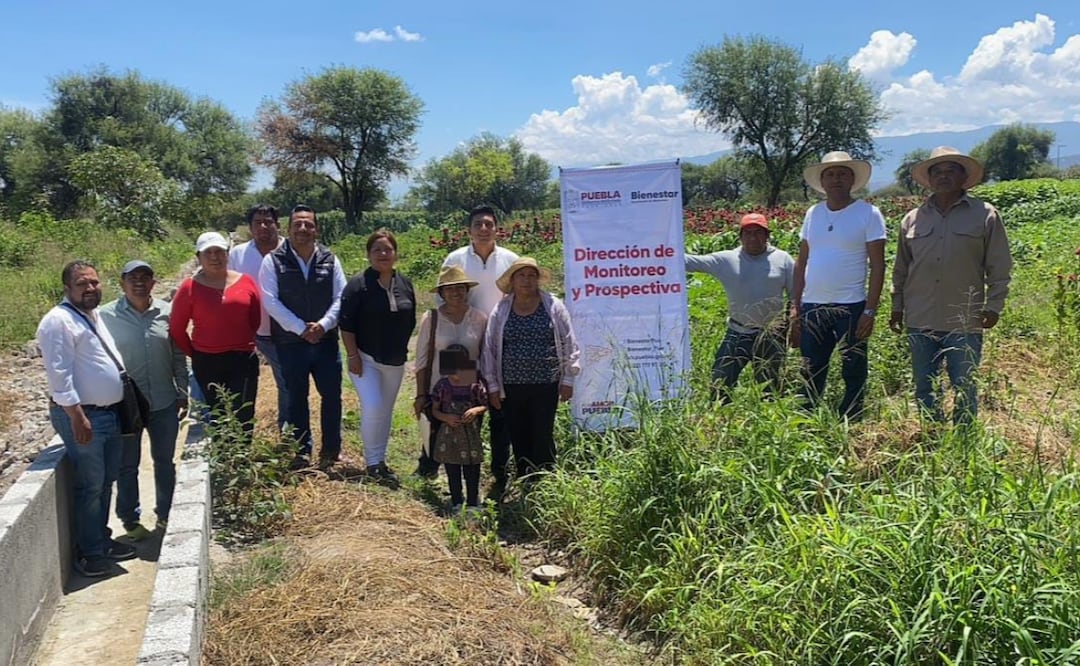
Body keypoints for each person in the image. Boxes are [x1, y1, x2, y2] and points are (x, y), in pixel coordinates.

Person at [889, 147, 1012, 424]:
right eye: (937, 172)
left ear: (963, 177)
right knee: (924, 385)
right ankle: (931, 436)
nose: (943, 177)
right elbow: (901, 269)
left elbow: (999, 266)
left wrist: (993, 306)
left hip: (964, 318)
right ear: (929, 179)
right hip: (920, 317)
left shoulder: (985, 215)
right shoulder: (912, 219)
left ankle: (964, 440)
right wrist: (897, 307)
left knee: (965, 385)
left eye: (950, 171)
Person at [37, 260, 137, 577]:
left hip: (107, 414)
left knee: (105, 481)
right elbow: (59, 376)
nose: (90, 288)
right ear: (67, 288)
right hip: (85, 417)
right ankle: (90, 553)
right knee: (91, 485)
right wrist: (77, 416)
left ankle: (102, 540)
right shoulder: (58, 322)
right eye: (82, 284)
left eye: (94, 282)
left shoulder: (90, 315)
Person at [790, 151, 887, 419]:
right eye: (830, 174)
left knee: (853, 365)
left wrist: (870, 310)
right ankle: (807, 418)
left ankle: (852, 416)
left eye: (842, 173)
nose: (836, 179)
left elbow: (878, 266)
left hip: (851, 305)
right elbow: (802, 262)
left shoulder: (869, 214)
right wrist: (795, 306)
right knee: (811, 366)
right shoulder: (813, 213)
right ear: (822, 181)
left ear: (852, 179)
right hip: (813, 304)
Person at [431, 205, 519, 489]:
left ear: (497, 229)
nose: (483, 229)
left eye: (488, 224)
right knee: (458, 404)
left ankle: (500, 471)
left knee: (498, 405)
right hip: (463, 344)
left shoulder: (510, 259)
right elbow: (442, 298)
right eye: (478, 224)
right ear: (469, 230)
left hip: (504, 343)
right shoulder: (454, 258)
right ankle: (445, 465)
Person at [99, 260, 188, 540]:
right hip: (125, 405)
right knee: (127, 465)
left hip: (163, 399)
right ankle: (129, 518)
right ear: (122, 282)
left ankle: (166, 514)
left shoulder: (167, 313)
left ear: (153, 283)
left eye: (145, 277)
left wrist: (182, 390)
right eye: (132, 277)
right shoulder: (105, 316)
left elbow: (177, 355)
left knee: (164, 460)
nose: (139, 282)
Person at [259, 205, 347, 466]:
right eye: (298, 224)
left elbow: (341, 297)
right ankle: (301, 450)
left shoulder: (330, 259)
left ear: (316, 229)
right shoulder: (273, 261)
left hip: (326, 341)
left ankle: (331, 449)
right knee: (297, 396)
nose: (303, 229)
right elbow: (270, 301)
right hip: (290, 344)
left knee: (332, 396)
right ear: (289, 229)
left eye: (308, 224)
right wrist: (301, 328)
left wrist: (323, 325)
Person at [481, 257, 580, 479]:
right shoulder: (502, 309)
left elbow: (569, 342)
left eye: (531, 276)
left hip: (546, 383)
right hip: (511, 385)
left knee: (542, 433)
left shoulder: (553, 305)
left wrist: (568, 379)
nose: (526, 280)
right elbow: (490, 348)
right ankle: (526, 479)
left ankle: (546, 481)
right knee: (518, 433)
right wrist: (493, 385)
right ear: (513, 281)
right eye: (521, 276)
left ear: (537, 280)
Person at [685, 213, 795, 399]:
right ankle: (719, 417)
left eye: (758, 233)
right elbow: (689, 262)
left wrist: (792, 324)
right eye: (748, 233)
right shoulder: (727, 259)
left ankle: (767, 422)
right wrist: (658, 247)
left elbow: (794, 296)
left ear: (767, 235)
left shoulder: (782, 259)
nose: (753, 237)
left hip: (770, 335)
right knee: (720, 380)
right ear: (740, 236)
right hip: (738, 331)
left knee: (770, 387)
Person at [339, 229, 416, 486]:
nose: (383, 254)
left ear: (395, 253)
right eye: (377, 250)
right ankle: (372, 464)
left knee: (385, 411)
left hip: (395, 360)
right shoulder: (358, 285)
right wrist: (352, 355)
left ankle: (381, 461)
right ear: (368, 255)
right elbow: (346, 324)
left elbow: (411, 317)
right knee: (372, 406)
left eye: (388, 249)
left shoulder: (405, 283)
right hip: (365, 357)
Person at [170, 232, 261, 439]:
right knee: (218, 415)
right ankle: (222, 465)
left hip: (242, 359)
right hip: (207, 361)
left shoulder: (246, 282)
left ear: (227, 254)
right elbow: (176, 328)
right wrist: (195, 353)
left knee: (244, 413)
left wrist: (241, 341)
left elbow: (254, 319)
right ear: (199, 257)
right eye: (208, 253)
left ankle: (242, 464)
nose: (214, 257)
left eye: (219, 251)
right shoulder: (189, 288)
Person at [413, 266, 487, 480]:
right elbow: (421, 360)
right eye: (449, 288)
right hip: (439, 387)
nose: (455, 292)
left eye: (460, 288)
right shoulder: (432, 318)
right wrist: (420, 394)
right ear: (441, 293)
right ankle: (428, 471)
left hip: (468, 390)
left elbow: (484, 356)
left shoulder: (479, 318)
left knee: (467, 434)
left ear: (467, 290)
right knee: (436, 431)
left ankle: (468, 484)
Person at [229, 203, 288, 432]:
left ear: (278, 225)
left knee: (287, 384)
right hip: (251, 334)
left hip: (285, 332)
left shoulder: (289, 251)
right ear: (250, 227)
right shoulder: (238, 254)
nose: (263, 226)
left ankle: (286, 431)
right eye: (258, 222)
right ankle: (242, 435)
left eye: (268, 222)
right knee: (244, 385)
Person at [429, 348, 488, 513]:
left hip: (470, 434)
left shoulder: (475, 384)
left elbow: (485, 405)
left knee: (472, 467)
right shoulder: (442, 385)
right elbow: (435, 410)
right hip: (449, 435)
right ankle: (456, 501)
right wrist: (446, 417)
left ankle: (472, 502)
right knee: (452, 466)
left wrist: (476, 410)